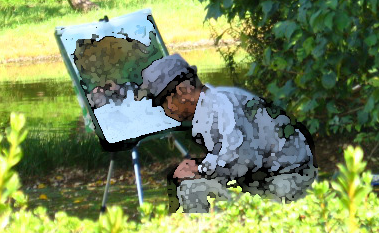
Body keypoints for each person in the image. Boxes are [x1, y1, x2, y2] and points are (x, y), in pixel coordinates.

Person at [134, 54, 318, 213]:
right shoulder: (213, 104)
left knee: (191, 186)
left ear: (182, 91)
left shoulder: (221, 106)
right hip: (272, 176)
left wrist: (199, 169)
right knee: (189, 180)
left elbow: (240, 159)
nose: (165, 110)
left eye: (163, 102)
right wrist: (200, 167)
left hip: (288, 181)